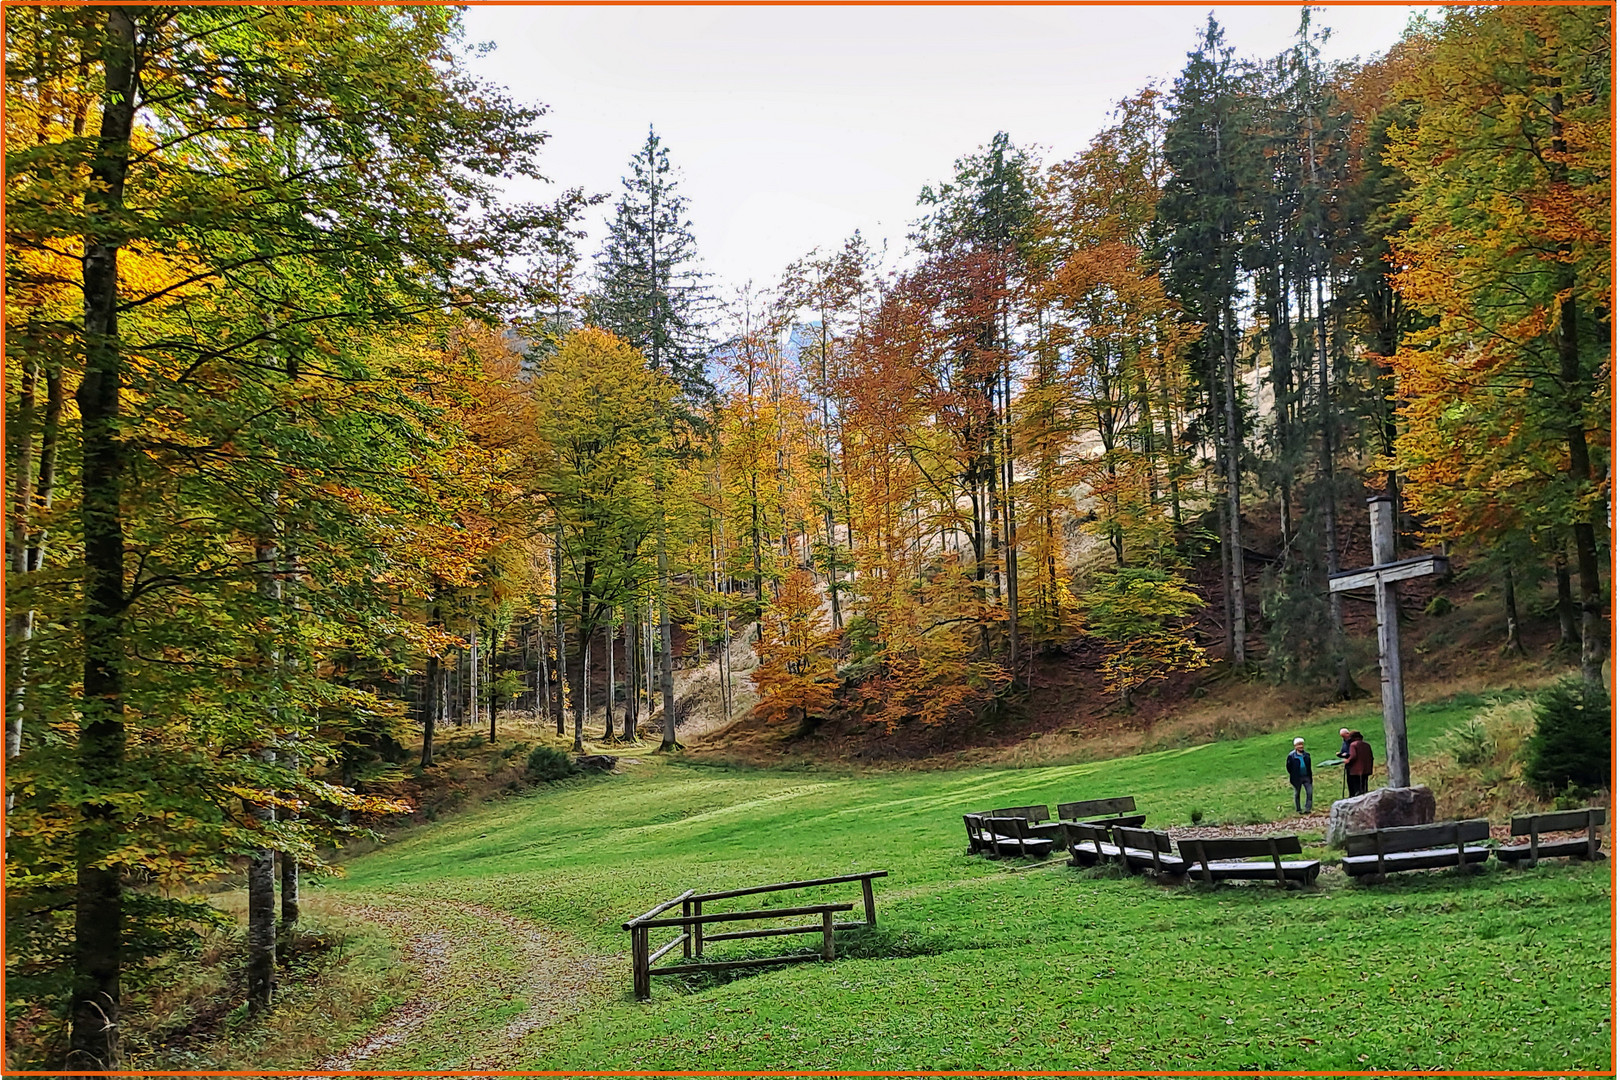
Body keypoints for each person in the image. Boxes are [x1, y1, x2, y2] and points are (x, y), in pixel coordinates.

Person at [1286, 738, 1313, 813]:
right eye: (1299, 745)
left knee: (1309, 792)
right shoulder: (1291, 756)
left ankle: (1308, 808)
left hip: (1306, 776)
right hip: (1297, 778)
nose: (1301, 746)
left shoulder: (1307, 755)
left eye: (1302, 744)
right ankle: (1298, 809)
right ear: (1295, 746)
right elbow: (1289, 767)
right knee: (1297, 793)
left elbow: (1309, 766)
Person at [1345, 730, 1374, 796]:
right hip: (1366, 769)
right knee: (1364, 786)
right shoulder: (1367, 745)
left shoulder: (1353, 745)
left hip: (1356, 770)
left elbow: (1353, 756)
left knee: (1356, 787)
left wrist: (1347, 760)